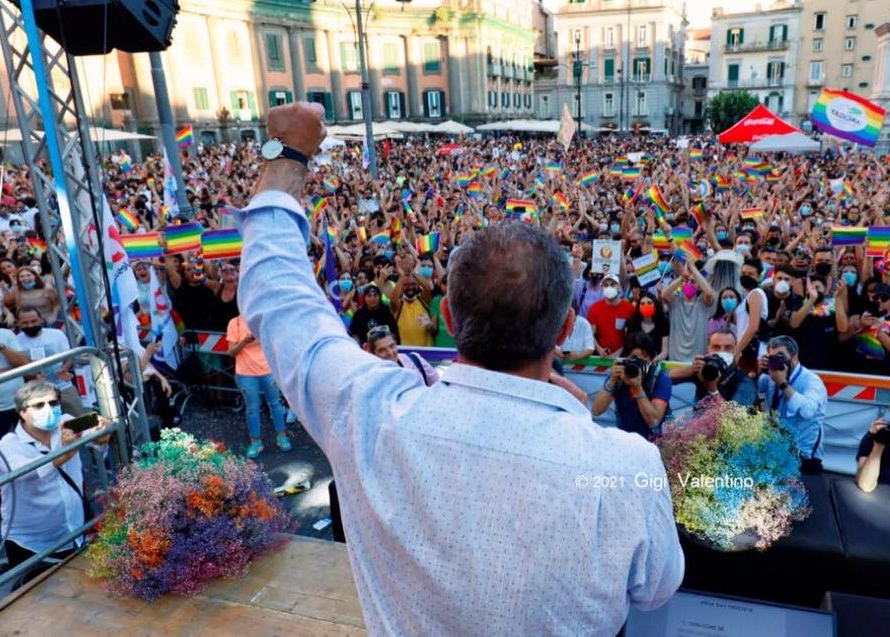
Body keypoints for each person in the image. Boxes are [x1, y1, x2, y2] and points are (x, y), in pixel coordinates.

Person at [237, 102, 682, 635]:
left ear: (447, 315)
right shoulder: (623, 466)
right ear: (567, 330)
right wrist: (579, 427)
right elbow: (656, 588)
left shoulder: (371, 414)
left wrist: (286, 153)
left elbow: (275, 292)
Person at [0, 380, 109, 586]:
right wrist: (67, 448)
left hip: (75, 534)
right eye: (38, 405)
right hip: (31, 546)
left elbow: (102, 428)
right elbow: (32, 471)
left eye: (53, 403)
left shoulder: (66, 422)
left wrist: (101, 426)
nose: (48, 410)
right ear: (22, 412)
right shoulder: (5, 448)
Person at [757, 336, 827, 472]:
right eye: (771, 358)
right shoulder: (767, 379)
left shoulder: (812, 381)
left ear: (794, 358)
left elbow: (808, 411)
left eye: (780, 357)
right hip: (776, 455)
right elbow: (763, 407)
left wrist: (783, 384)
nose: (776, 362)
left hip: (804, 459)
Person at [225, 314, 291, 458]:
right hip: (246, 373)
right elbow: (231, 352)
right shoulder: (234, 322)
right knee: (252, 409)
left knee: (276, 404)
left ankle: (282, 436)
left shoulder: (265, 320)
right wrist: (244, 341)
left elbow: (278, 343)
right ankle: (255, 441)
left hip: (268, 370)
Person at [591, 332, 673, 441]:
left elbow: (654, 421)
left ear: (652, 359)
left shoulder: (660, 380)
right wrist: (612, 382)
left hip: (653, 443)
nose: (638, 364)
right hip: (625, 441)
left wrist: (638, 389)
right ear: (625, 358)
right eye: (634, 358)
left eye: (644, 357)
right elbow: (596, 410)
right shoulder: (619, 375)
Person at [15, 306, 83, 416]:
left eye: (33, 321)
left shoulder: (56, 334)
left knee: (79, 420)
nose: (30, 325)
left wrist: (64, 368)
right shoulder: (15, 341)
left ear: (41, 319)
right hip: (34, 393)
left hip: (63, 386)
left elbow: (69, 356)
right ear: (18, 323)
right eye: (25, 322)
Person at [669, 327, 756, 406]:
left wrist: (713, 390)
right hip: (698, 420)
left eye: (728, 348)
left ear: (735, 350)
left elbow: (735, 419)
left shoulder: (744, 382)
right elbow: (663, 378)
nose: (722, 352)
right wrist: (690, 370)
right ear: (708, 349)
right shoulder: (704, 369)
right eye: (716, 347)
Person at [0, 324, 30, 442]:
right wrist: (14, 370)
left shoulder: (6, 334)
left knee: (30, 445)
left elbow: (25, 363)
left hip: (21, 404)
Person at [364, 324, 439, 387]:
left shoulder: (415, 359)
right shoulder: (371, 378)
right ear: (373, 354)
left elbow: (438, 386)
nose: (390, 352)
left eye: (392, 346)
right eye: (382, 350)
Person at [587, 272, 635, 358]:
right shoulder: (595, 308)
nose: (609, 287)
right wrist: (600, 350)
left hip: (622, 356)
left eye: (612, 284)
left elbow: (632, 335)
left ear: (619, 287)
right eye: (605, 285)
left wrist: (618, 353)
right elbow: (590, 334)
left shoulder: (629, 308)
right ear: (602, 288)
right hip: (601, 356)